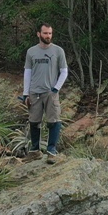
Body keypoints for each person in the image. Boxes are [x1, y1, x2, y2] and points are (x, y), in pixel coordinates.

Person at [21, 22, 69, 157]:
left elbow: (64, 71)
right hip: (34, 92)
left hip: (50, 93)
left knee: (54, 120)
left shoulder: (58, 51)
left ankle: (51, 150)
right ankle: (35, 149)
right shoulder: (31, 52)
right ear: (39, 34)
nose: (48, 36)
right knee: (34, 121)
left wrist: (56, 88)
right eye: (45, 33)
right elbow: (27, 72)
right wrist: (26, 93)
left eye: (50, 33)